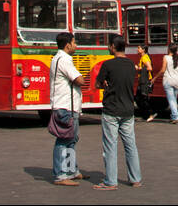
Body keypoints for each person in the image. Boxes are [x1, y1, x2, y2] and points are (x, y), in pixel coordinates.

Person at [93, 35, 142, 190]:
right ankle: (135, 179)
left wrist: (105, 84)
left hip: (111, 110)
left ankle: (110, 181)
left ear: (113, 47)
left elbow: (97, 83)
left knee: (110, 146)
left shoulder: (107, 65)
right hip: (128, 109)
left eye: (109, 45)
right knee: (130, 145)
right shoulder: (131, 65)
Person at [50, 31, 86, 185]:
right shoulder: (64, 60)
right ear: (67, 45)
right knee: (64, 140)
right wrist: (81, 77)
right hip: (65, 106)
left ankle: (71, 170)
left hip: (69, 106)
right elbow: (79, 80)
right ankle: (61, 174)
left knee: (71, 139)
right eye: (74, 42)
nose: (76, 45)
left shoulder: (59, 58)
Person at [152, 43, 178, 123]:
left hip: (168, 81)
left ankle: (175, 117)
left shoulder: (166, 57)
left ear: (169, 49)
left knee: (171, 100)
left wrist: (155, 78)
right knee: (174, 100)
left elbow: (163, 70)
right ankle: (173, 116)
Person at [135, 44, 155, 122]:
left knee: (143, 98)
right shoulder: (143, 57)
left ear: (143, 50)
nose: (137, 49)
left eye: (139, 48)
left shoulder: (145, 57)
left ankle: (151, 114)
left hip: (145, 81)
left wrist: (138, 68)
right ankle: (145, 115)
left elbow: (150, 68)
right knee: (138, 98)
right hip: (142, 81)